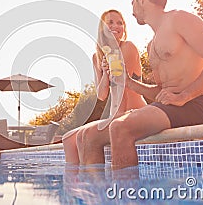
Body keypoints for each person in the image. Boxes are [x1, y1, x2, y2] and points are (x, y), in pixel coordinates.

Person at [108, 0, 203, 169]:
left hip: (194, 105)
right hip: (169, 107)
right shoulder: (152, 44)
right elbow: (162, 91)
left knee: (120, 128)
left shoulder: (179, 19)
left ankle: (125, 198)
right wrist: (130, 84)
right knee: (90, 135)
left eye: (132, 2)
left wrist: (185, 95)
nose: (131, 11)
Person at [62, 9, 146, 164]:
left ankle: (94, 186)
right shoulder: (97, 57)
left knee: (86, 136)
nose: (116, 26)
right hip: (116, 114)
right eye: (110, 22)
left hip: (134, 111)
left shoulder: (128, 47)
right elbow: (101, 95)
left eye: (120, 23)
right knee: (68, 139)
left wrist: (115, 119)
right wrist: (105, 72)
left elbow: (122, 86)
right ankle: (75, 187)